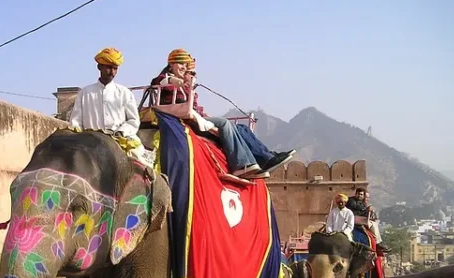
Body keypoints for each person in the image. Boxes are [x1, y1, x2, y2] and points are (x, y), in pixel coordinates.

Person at [151, 49, 294, 180]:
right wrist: (174, 80)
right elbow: (159, 81)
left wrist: (187, 81)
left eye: (186, 66)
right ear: (171, 65)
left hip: (196, 116)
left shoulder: (187, 87)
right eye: (180, 64)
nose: (184, 68)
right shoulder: (166, 80)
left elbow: (196, 107)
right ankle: (240, 165)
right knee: (224, 123)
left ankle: (266, 158)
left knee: (242, 128)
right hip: (183, 117)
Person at [69, 47, 150, 167]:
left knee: (141, 164)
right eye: (108, 67)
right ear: (99, 67)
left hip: (121, 141)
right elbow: (75, 122)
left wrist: (121, 133)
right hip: (90, 143)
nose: (112, 72)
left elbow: (133, 120)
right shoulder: (85, 93)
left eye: (115, 68)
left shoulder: (124, 92)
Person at [347, 188, 391, 253]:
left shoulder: (362, 203)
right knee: (373, 225)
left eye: (361, 195)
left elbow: (363, 211)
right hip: (353, 218)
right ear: (355, 194)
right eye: (359, 194)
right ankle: (378, 243)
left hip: (361, 218)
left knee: (374, 223)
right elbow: (355, 206)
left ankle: (378, 242)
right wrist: (366, 209)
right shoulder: (351, 200)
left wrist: (369, 212)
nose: (360, 196)